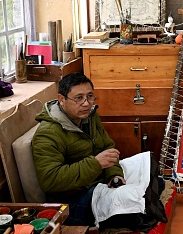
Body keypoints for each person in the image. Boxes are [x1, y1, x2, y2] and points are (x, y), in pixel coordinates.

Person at [32, 72, 167, 229]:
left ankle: (141, 200)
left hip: (100, 179)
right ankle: (140, 204)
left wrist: (114, 175)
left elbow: (107, 147)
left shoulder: (89, 117)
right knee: (133, 197)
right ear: (62, 100)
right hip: (76, 199)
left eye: (90, 96)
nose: (86, 103)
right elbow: (50, 180)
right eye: (79, 98)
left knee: (147, 162)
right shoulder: (47, 133)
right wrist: (96, 164)